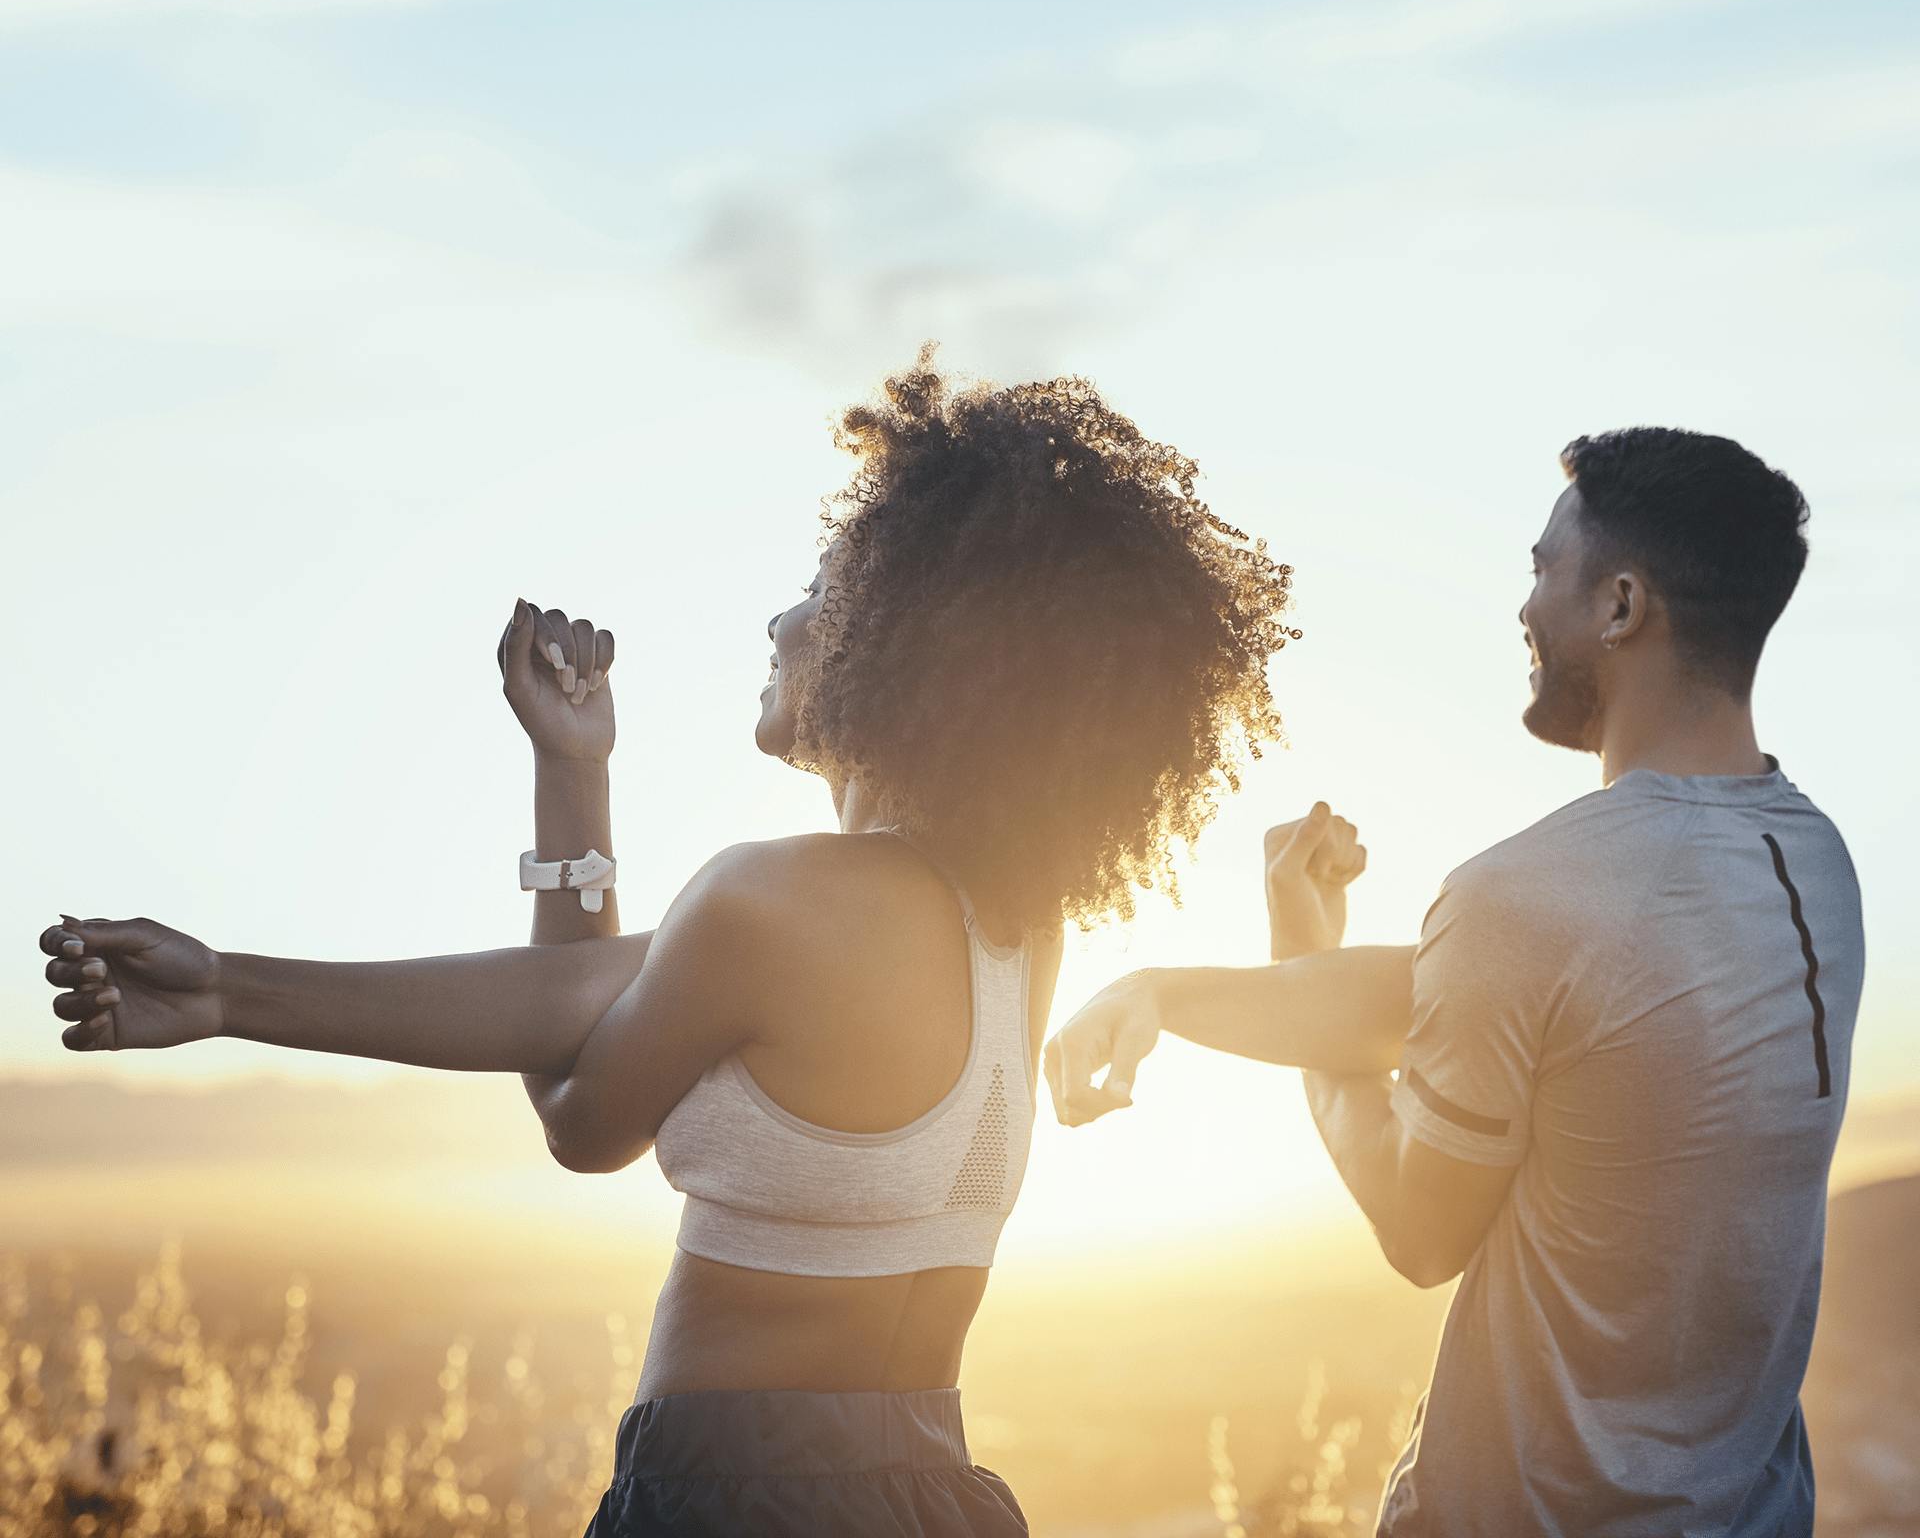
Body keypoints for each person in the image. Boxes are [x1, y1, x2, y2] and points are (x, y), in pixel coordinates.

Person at [39, 352, 1374, 1538]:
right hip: (935, 1490)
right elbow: (573, 998)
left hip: (735, 1494)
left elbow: (577, 1107)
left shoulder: (779, 901)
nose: (782, 623)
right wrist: (577, 771)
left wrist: (223, 994)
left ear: (914, 649)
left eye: (820, 592)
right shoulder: (1014, 926)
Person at [1047, 426, 1863, 1538]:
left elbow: (1418, 1229)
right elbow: (1518, 1004)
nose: (1524, 607)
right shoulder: (1813, 864)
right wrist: (1169, 990)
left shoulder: (1526, 893)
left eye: (1540, 570)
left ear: (1621, 606)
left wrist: (1292, 967)